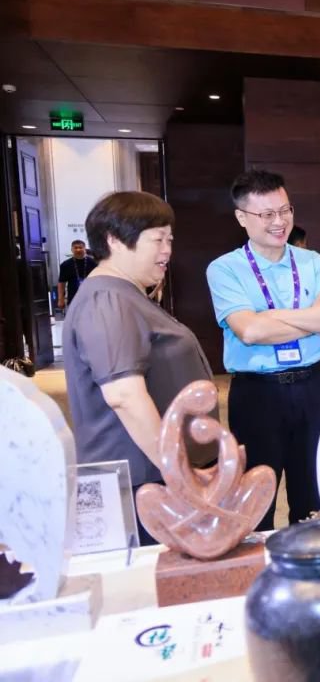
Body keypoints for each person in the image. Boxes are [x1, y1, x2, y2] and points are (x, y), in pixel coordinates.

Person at [63, 192, 214, 545]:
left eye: (170, 239)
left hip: (155, 479)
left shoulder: (124, 294)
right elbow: (125, 397)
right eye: (157, 240)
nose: (167, 251)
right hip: (140, 486)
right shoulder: (107, 299)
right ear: (115, 241)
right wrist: (180, 474)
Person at [206, 170, 320, 530]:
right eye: (267, 214)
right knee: (256, 500)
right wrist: (311, 317)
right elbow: (250, 331)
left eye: (285, 210)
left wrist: (270, 318)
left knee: (314, 497)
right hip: (258, 395)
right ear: (242, 217)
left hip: (312, 388)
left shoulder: (312, 262)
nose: (279, 222)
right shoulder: (225, 269)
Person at [57, 239, 97, 311]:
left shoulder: (93, 263)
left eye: (80, 247)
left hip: (91, 299)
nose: (78, 250)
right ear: (72, 250)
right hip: (73, 299)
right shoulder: (66, 265)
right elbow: (62, 283)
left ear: (84, 249)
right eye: (75, 248)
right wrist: (61, 299)